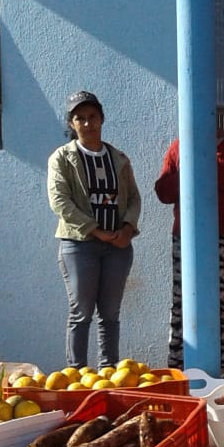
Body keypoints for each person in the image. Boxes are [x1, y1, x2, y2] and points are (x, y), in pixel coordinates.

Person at [154, 128, 224, 374]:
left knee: (223, 302)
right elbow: (163, 190)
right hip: (186, 236)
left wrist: (212, 168)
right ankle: (177, 371)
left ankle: (222, 369)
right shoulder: (178, 146)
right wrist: (189, 172)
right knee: (183, 301)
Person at [47, 90, 140, 368]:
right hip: (79, 245)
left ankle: (109, 370)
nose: (87, 123)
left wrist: (127, 228)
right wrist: (94, 229)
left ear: (102, 119)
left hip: (117, 247)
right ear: (71, 124)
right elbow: (59, 200)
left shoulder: (119, 158)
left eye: (92, 117)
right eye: (80, 118)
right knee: (81, 311)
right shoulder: (62, 158)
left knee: (110, 313)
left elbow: (133, 198)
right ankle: (76, 374)